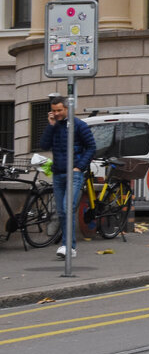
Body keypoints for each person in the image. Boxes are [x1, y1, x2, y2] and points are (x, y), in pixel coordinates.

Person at [38, 94, 96, 259]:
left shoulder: (79, 125)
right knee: (62, 211)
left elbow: (91, 147)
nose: (56, 113)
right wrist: (50, 125)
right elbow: (44, 145)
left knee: (67, 208)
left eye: (59, 110)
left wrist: (79, 167)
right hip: (58, 174)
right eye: (53, 111)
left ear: (67, 109)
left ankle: (68, 246)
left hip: (74, 174)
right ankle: (68, 246)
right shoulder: (54, 125)